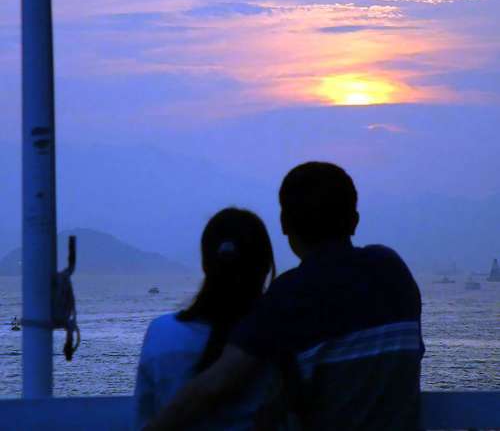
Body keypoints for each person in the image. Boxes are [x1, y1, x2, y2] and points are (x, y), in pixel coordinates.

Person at [148, 162, 424, 431]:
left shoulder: (292, 294)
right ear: (354, 221)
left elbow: (215, 384)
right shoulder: (392, 269)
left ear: (284, 224)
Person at [134, 207, 277, 431]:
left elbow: (144, 415)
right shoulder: (281, 341)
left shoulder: (162, 333)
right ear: (266, 266)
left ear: (205, 264)